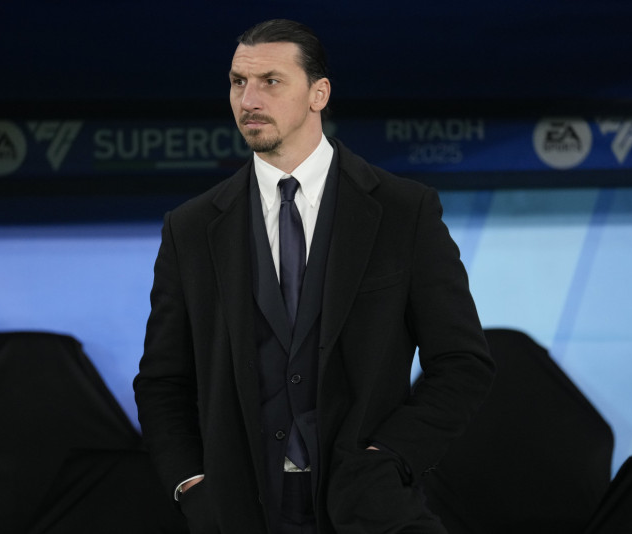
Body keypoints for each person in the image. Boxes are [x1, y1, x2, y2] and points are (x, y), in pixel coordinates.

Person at [133, 18, 495, 534]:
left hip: (369, 510)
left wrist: (389, 459)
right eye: (238, 82)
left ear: (318, 94)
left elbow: (462, 363)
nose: (249, 100)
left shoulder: (403, 211)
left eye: (271, 82)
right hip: (238, 514)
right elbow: (163, 382)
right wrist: (192, 485)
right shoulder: (190, 228)